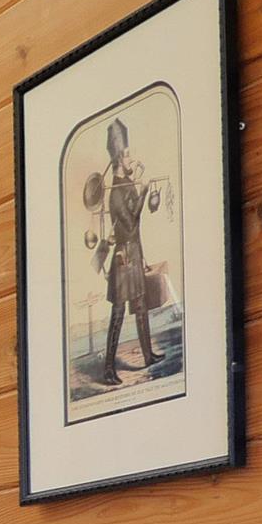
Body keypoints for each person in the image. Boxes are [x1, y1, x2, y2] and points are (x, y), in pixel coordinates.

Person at [91, 117, 163, 379]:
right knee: (119, 313)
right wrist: (144, 193)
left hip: (134, 254)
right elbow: (131, 222)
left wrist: (143, 257)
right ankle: (109, 369)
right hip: (123, 259)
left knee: (141, 306)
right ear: (119, 158)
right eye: (128, 155)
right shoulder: (116, 192)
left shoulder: (127, 184)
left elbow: (137, 229)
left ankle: (147, 355)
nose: (132, 159)